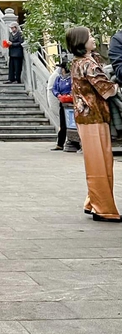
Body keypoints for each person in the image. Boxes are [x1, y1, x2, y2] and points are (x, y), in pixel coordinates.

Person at [66, 26, 120, 222]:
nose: (93, 39)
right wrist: (116, 85)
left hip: (87, 117)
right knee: (100, 163)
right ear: (82, 41)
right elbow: (105, 89)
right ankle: (103, 208)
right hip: (94, 117)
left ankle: (93, 202)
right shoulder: (88, 64)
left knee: (98, 161)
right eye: (89, 37)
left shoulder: (79, 62)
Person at [51, 60, 73, 150]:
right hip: (62, 102)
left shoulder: (72, 78)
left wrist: (69, 95)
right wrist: (58, 95)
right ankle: (60, 144)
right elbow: (54, 88)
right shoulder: (59, 78)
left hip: (71, 102)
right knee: (62, 124)